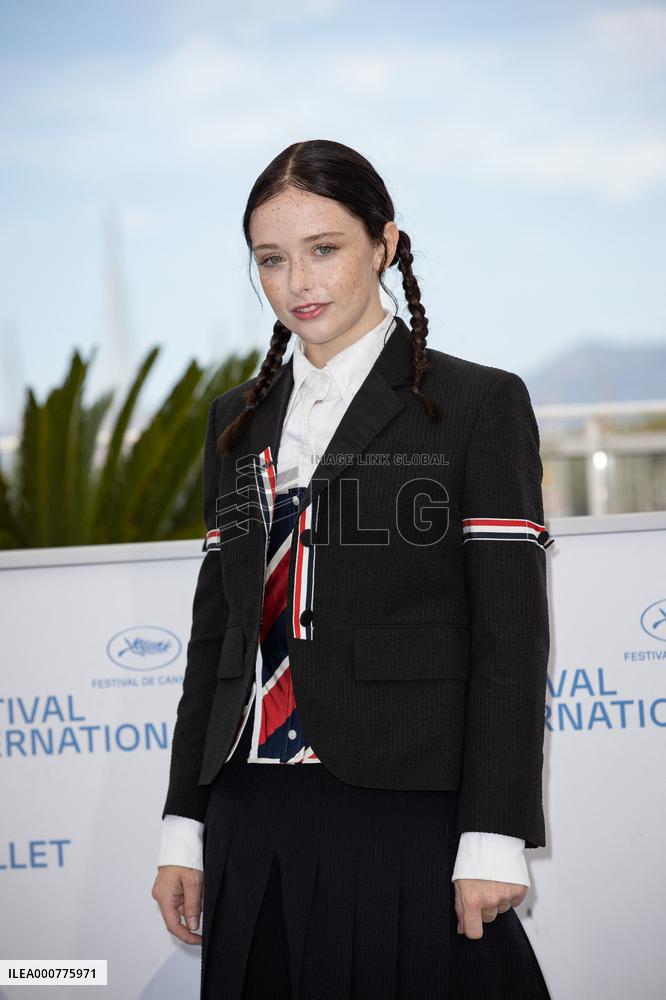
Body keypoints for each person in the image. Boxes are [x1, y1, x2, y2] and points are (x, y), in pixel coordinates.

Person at [151, 139, 553, 999]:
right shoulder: (235, 421)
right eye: (271, 259)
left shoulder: (478, 404)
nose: (298, 281)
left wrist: (493, 835)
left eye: (324, 248)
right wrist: (184, 823)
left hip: (404, 804)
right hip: (249, 808)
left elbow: (510, 639)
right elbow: (217, 636)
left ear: (384, 244)